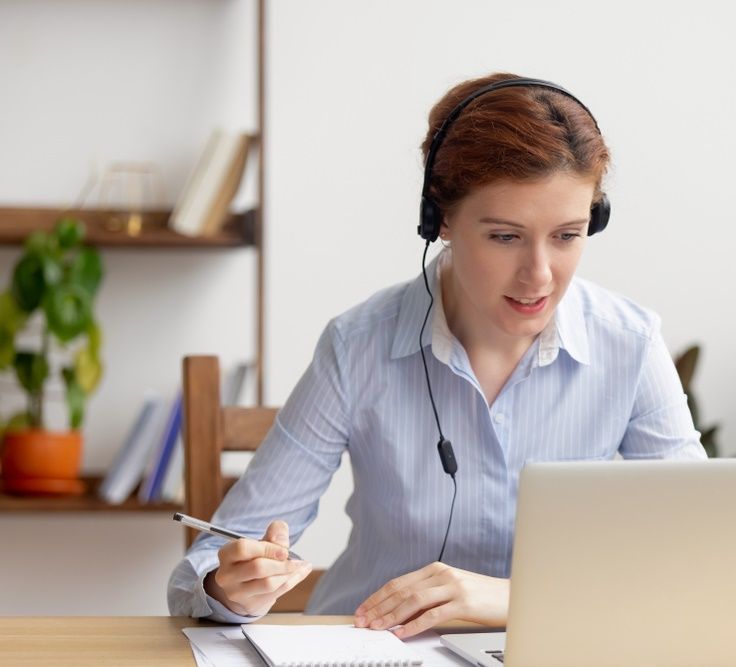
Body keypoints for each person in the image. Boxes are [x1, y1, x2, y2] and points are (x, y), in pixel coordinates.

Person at [167, 72, 705, 638]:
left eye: (568, 236)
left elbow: (708, 554)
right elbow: (202, 569)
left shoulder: (630, 344)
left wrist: (514, 600)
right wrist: (231, 585)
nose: (540, 275)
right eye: (505, 236)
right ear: (440, 219)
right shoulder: (359, 345)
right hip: (376, 649)